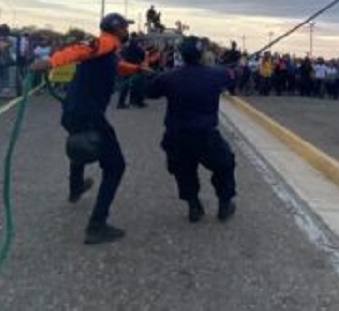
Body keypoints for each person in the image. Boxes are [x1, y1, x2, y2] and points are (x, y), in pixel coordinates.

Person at [31, 13, 146, 245]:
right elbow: (79, 50)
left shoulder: (109, 51)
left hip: (74, 112)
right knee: (116, 167)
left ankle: (75, 187)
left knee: (83, 142)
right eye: (125, 27)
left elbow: (115, 66)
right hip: (89, 114)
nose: (128, 31)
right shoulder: (105, 42)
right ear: (118, 29)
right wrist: (51, 62)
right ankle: (97, 225)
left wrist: (135, 70)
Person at [146, 36, 237, 223]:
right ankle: (224, 204)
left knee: (183, 171)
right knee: (225, 164)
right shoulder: (216, 74)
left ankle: (193, 205)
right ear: (202, 54)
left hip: (177, 135)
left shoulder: (169, 76)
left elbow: (150, 92)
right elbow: (233, 76)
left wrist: (152, 76)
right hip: (205, 135)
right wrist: (233, 67)